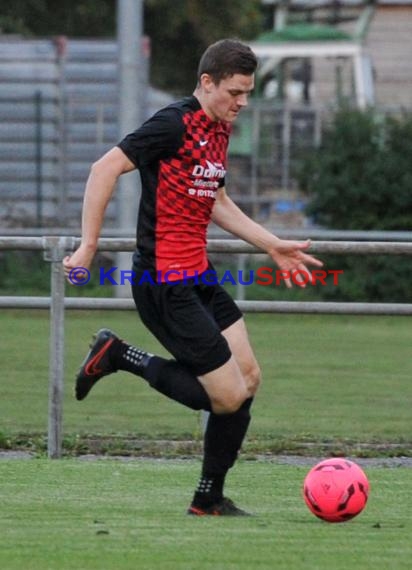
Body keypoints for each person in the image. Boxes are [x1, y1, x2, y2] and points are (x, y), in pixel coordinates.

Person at [63, 39, 322, 516]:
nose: (242, 102)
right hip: (163, 282)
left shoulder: (219, 127)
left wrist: (270, 243)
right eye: (235, 92)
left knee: (248, 379)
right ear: (207, 83)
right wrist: (88, 245)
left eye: (247, 92)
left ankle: (208, 499)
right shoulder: (172, 123)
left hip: (197, 274)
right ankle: (118, 355)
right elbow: (104, 169)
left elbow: (217, 201)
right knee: (226, 396)